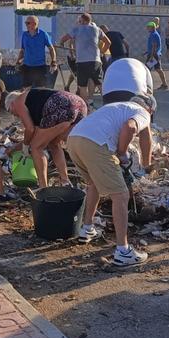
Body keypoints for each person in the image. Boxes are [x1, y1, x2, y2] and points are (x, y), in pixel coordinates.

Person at [69, 95, 156, 267]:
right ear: (150, 110)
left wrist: (147, 163)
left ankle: (86, 229)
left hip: (74, 140)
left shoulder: (119, 105)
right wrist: (122, 152)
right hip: (96, 144)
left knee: (92, 184)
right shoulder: (142, 113)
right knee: (121, 196)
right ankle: (123, 251)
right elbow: (130, 128)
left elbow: (146, 137)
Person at [5, 88, 87, 188]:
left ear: (12, 103)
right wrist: (15, 148)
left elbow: (30, 129)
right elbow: (36, 135)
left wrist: (26, 147)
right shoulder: (35, 103)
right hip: (79, 105)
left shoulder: (18, 101)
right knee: (54, 143)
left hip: (59, 104)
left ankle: (43, 187)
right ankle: (65, 182)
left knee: (36, 147)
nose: (13, 114)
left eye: (10, 111)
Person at [59, 14, 110, 105]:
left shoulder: (76, 29)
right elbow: (108, 42)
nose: (80, 23)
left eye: (81, 21)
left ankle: (86, 106)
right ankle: (107, 103)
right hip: (95, 61)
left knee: (82, 86)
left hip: (82, 61)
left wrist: (61, 44)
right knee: (99, 83)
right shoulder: (98, 29)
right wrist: (101, 52)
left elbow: (63, 39)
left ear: (84, 21)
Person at [18, 16, 57, 88]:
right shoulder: (24, 35)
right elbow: (22, 50)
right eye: (26, 23)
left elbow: (51, 48)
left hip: (40, 67)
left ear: (34, 24)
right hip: (27, 66)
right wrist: (18, 61)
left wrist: (53, 61)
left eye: (28, 23)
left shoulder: (43, 34)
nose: (26, 25)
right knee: (25, 89)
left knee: (40, 89)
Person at [144, 20, 169, 90]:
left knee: (147, 69)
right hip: (153, 54)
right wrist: (146, 52)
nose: (147, 28)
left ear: (152, 27)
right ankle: (164, 84)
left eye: (148, 27)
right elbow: (153, 46)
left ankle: (146, 85)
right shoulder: (154, 34)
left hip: (154, 55)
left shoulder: (154, 35)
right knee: (157, 69)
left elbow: (154, 46)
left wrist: (151, 57)